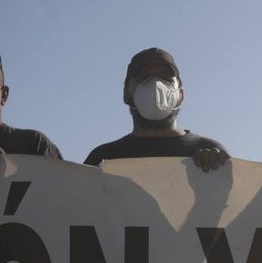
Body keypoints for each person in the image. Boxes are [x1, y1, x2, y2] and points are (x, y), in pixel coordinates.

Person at [83, 47, 228, 172]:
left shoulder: (209, 153)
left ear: (181, 95)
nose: (156, 85)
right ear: (126, 95)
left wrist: (218, 169)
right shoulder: (102, 158)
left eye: (166, 77)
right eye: (142, 77)